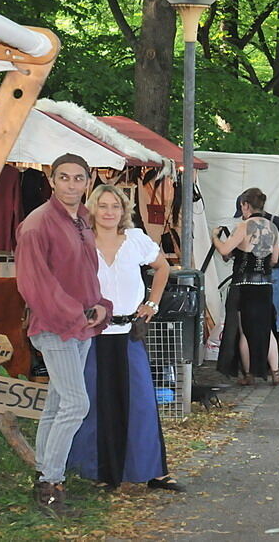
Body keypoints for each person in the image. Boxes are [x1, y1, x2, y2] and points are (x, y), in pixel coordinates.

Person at [67, 184, 182, 492]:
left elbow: (162, 267)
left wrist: (153, 303)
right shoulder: (81, 240)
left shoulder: (135, 240)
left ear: (123, 211)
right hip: (93, 335)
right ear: (92, 209)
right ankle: (99, 473)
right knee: (95, 403)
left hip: (129, 333)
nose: (108, 212)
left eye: (115, 207)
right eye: (102, 206)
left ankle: (153, 471)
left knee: (141, 402)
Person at [15, 153, 112, 515]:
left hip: (82, 325)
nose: (72, 184)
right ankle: (50, 485)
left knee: (57, 405)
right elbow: (34, 285)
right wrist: (76, 315)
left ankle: (45, 477)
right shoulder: (37, 224)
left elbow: (87, 273)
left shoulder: (83, 219)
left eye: (79, 178)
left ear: (88, 181)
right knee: (76, 404)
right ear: (51, 180)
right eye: (64, 178)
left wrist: (101, 304)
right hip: (55, 327)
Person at [212, 188, 279, 385]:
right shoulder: (273, 228)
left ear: (246, 205)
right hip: (265, 284)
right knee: (267, 329)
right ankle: (276, 373)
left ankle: (248, 375)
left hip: (244, 284)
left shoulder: (244, 226)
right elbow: (274, 259)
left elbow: (225, 250)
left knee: (245, 330)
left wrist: (214, 238)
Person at [232, 195, 279, 334]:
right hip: (251, 275)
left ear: (248, 206)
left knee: (270, 312)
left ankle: (273, 333)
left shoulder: (275, 223)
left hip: (270, 272)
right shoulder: (246, 226)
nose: (243, 218)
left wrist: (260, 245)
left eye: (243, 212)